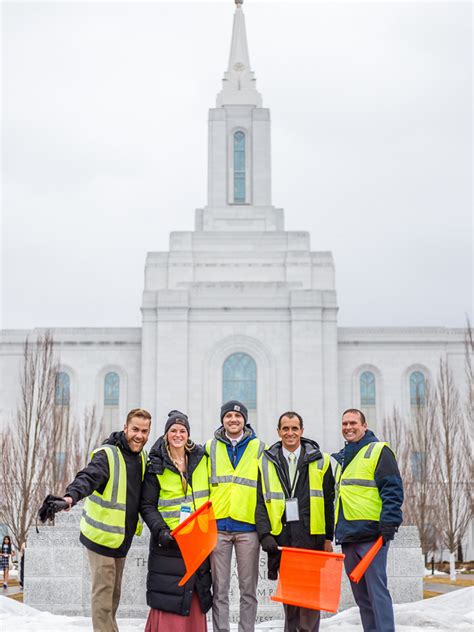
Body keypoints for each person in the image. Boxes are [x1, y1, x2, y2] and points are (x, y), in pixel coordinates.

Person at [60, 408, 151, 632]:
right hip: (100, 537)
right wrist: (71, 496)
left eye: (144, 431)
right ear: (125, 428)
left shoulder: (142, 457)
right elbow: (89, 476)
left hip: (121, 539)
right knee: (103, 598)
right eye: (135, 429)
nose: (139, 435)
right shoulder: (107, 455)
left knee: (113, 597)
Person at [255, 411, 335, 632]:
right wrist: (265, 535)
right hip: (283, 538)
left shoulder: (322, 460)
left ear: (302, 431)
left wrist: (329, 537)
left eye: (294, 428)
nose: (290, 433)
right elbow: (260, 501)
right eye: (285, 428)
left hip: (312, 538)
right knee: (290, 601)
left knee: (309, 602)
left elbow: (329, 501)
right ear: (278, 431)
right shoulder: (266, 461)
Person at [140, 410, 212, 632]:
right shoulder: (156, 465)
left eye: (182, 430)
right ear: (166, 434)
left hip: (197, 542)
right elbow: (147, 505)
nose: (178, 434)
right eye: (173, 430)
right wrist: (161, 531)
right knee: (169, 593)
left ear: (188, 435)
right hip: (169, 542)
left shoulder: (202, 460)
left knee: (195, 593)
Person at [332, 408, 403, 632]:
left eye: (353, 423)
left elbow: (392, 488)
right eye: (344, 424)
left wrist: (389, 523)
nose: (348, 427)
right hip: (349, 536)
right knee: (362, 598)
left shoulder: (378, 451)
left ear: (364, 425)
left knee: (377, 594)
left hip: (372, 536)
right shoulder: (343, 458)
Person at [205, 400, 265, 632]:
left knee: (248, 589)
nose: (233, 420)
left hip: (248, 528)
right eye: (228, 416)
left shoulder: (259, 447)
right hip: (218, 527)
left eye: (238, 416)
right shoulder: (210, 447)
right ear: (222, 419)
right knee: (219, 589)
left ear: (244, 420)